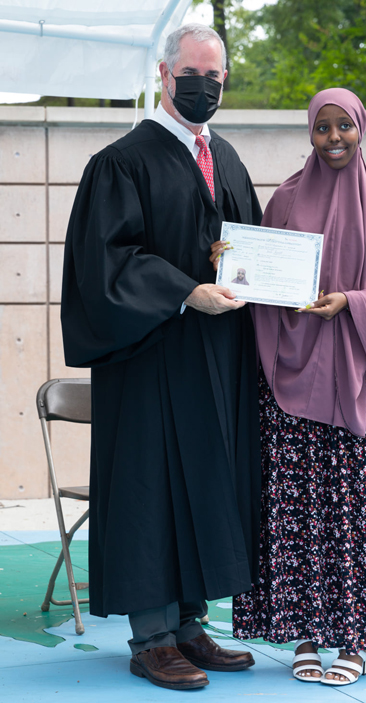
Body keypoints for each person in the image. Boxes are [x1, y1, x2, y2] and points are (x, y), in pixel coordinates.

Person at [61, 23, 263, 692]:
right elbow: (105, 265)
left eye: (216, 76)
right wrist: (183, 293)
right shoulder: (122, 161)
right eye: (193, 73)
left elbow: (249, 249)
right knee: (152, 491)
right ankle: (151, 637)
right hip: (149, 360)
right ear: (164, 74)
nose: (205, 85)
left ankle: (189, 624)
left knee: (205, 487)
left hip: (215, 360)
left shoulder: (227, 159)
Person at [222, 88, 366, 686]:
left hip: (355, 383)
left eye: (344, 127)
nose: (334, 138)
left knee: (354, 514)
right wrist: (231, 262)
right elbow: (255, 280)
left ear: (360, 129)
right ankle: (307, 635)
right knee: (297, 514)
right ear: (309, 134)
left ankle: (355, 642)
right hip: (290, 382)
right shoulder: (285, 199)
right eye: (322, 129)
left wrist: (351, 303)